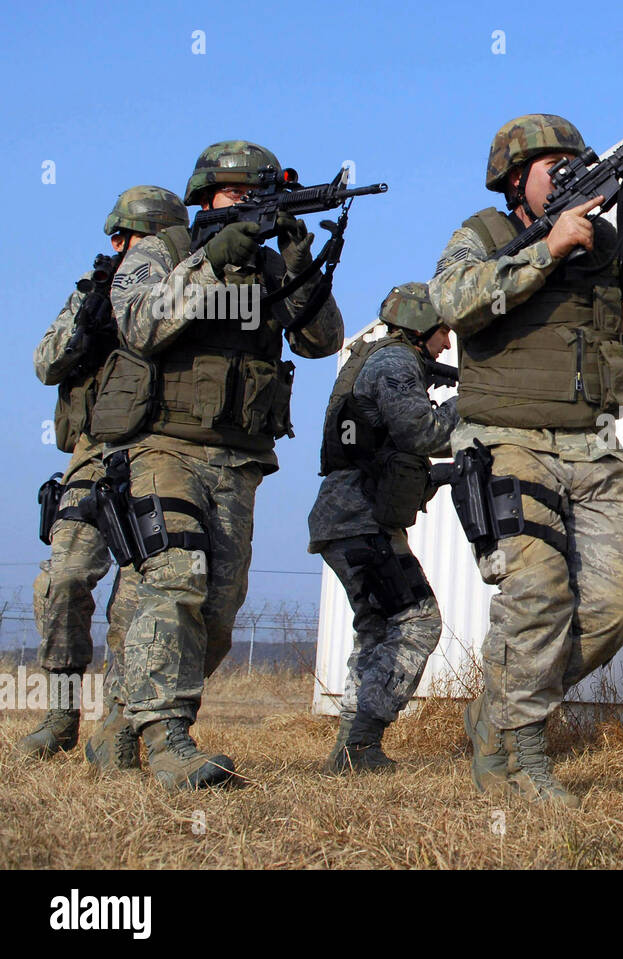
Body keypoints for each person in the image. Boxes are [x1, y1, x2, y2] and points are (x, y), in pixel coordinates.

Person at [428, 114, 623, 806]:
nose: (567, 171)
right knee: (538, 595)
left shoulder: (604, 240)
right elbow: (456, 302)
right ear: (516, 178)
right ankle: (518, 754)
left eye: (576, 162)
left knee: (614, 606)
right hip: (507, 439)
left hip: (593, 444)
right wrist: (546, 250)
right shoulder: (484, 235)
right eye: (552, 164)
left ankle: (500, 707)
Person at [105, 140, 344, 788]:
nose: (250, 208)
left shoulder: (268, 267)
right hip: (165, 446)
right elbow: (137, 323)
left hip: (239, 459)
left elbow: (322, 340)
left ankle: (123, 724)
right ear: (208, 196)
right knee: (175, 578)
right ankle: (168, 740)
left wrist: (296, 255)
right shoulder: (167, 249)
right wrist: (212, 260)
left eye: (261, 196)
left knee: (216, 613)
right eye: (241, 195)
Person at [17, 186, 188, 768]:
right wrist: (86, 330)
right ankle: (61, 714)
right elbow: (44, 362)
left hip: (158, 451)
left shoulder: (183, 288)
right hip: (94, 453)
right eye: (116, 237)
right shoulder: (90, 291)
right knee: (62, 578)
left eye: (131, 236)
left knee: (135, 602)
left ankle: (116, 729)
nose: (119, 246)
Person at [308, 282, 458, 773]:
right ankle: (361, 744)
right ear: (421, 327)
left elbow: (385, 445)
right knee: (417, 621)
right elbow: (425, 432)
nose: (448, 344)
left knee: (376, 629)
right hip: (360, 520)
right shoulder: (394, 364)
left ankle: (352, 750)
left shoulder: (375, 357)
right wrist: (473, 398)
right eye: (444, 332)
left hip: (349, 518)